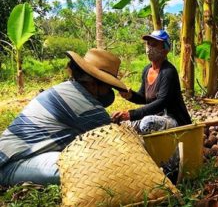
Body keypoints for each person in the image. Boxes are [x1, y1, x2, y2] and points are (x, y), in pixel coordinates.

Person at [0, 49, 127, 185]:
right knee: (94, 168)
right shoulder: (85, 104)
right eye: (108, 87)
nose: (109, 91)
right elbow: (113, 141)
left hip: (18, 154)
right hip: (12, 163)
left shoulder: (66, 89)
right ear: (93, 83)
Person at [111, 30, 191, 134]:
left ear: (165, 50)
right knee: (121, 124)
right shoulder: (146, 70)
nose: (149, 48)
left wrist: (131, 114)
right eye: (148, 44)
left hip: (174, 120)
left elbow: (161, 103)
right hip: (155, 117)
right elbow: (144, 97)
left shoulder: (168, 72)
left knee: (147, 123)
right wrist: (130, 95)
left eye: (154, 45)